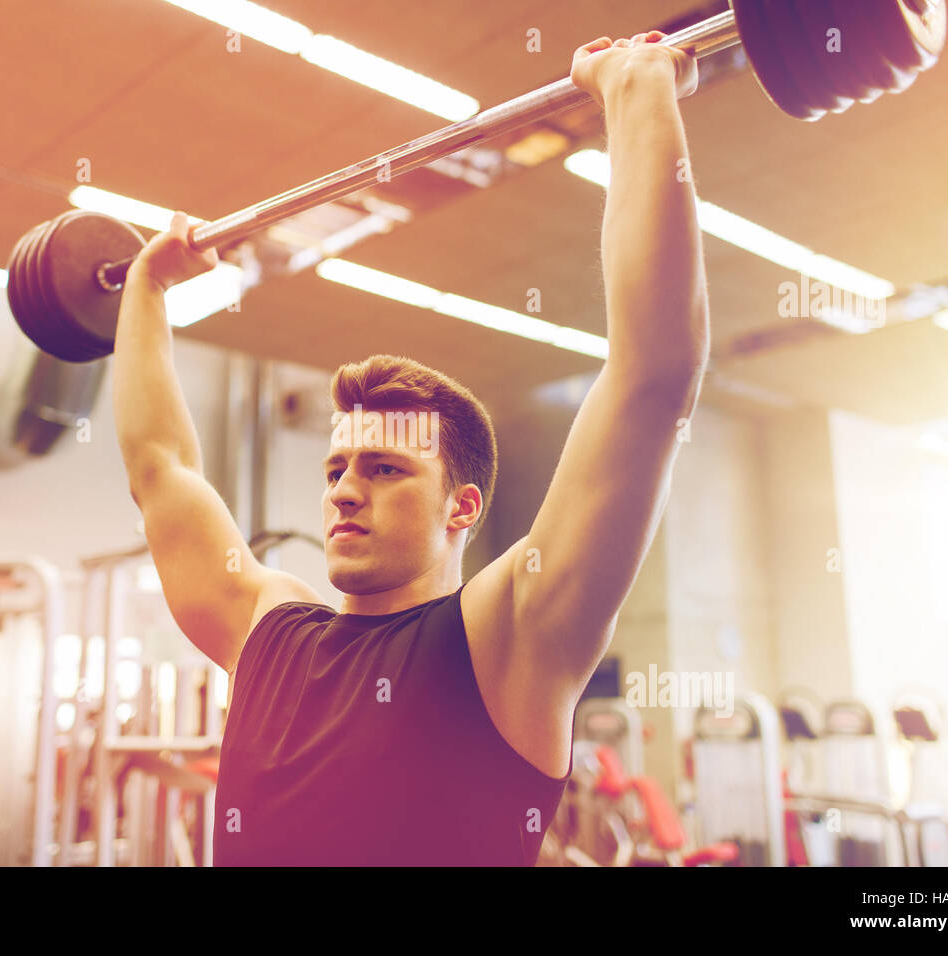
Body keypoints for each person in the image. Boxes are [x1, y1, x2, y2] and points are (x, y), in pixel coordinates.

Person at [113, 31, 707, 865]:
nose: (345, 491)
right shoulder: (267, 630)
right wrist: (146, 289)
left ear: (463, 505)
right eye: (337, 468)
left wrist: (639, 94)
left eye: (386, 468)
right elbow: (159, 469)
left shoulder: (510, 639)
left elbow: (653, 381)